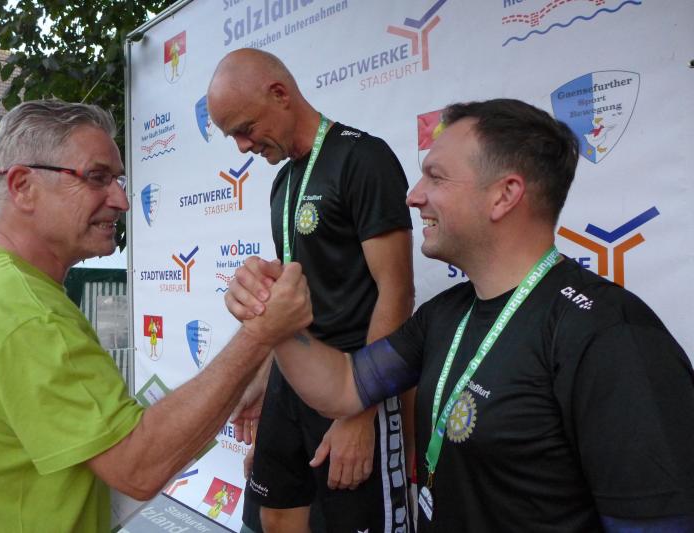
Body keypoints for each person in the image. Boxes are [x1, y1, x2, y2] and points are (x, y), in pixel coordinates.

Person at [228, 99, 694, 531]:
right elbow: (344, 387)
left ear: (504, 195)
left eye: (436, 177)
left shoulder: (608, 335)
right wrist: (276, 321)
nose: (413, 196)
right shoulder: (446, 314)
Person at [0, 100, 311, 532]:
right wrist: (259, 334)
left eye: (119, 179)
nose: (122, 200)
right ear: (22, 186)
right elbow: (137, 467)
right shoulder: (27, 315)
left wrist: (233, 388)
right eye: (97, 178)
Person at [207, 48, 416, 533]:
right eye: (233, 136)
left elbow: (397, 293)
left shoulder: (363, 158)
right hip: (292, 384)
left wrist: (359, 413)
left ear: (280, 94)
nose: (242, 147)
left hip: (355, 382)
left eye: (244, 129)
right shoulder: (283, 183)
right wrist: (263, 383)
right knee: (275, 517)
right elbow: (293, 306)